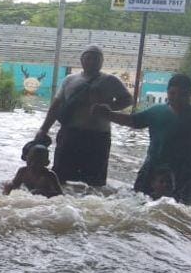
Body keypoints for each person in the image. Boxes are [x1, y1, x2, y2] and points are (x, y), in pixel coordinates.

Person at [93, 73, 191, 204]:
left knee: (180, 210)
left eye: (183, 94)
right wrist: (108, 115)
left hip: (187, 172)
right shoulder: (157, 112)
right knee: (139, 203)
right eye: (172, 94)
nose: (177, 98)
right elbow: (133, 121)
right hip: (153, 169)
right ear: (167, 93)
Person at [36, 44, 132, 186]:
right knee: (59, 178)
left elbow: (128, 100)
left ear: (102, 62)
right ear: (82, 60)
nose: (92, 61)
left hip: (98, 136)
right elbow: (55, 107)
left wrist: (108, 108)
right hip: (70, 134)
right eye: (89, 58)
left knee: (95, 181)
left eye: (96, 59)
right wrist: (43, 130)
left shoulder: (111, 80)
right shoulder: (69, 80)